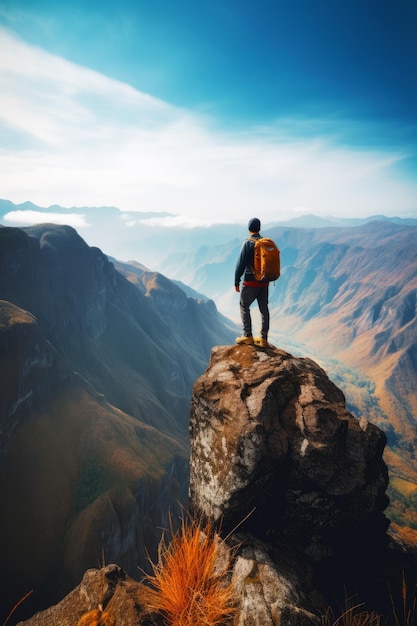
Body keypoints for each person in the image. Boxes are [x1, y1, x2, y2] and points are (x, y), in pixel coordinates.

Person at [234, 217, 270, 347]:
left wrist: (237, 281)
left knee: (244, 306)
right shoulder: (265, 243)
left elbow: (240, 264)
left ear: (249, 228)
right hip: (264, 282)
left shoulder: (248, 243)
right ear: (259, 228)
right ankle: (264, 339)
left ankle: (247, 335)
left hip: (250, 282)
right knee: (264, 308)